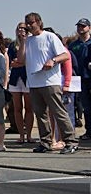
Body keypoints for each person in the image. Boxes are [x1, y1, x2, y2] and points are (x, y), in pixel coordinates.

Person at [18, 12, 78, 154]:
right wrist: (22, 41)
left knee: (58, 112)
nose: (28, 26)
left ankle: (71, 141)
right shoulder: (29, 40)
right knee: (40, 114)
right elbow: (21, 59)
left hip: (50, 82)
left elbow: (65, 55)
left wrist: (53, 60)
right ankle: (45, 142)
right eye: (26, 23)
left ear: (38, 22)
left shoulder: (49, 37)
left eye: (31, 23)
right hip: (34, 82)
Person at [8, 23, 33, 143]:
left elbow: (29, 61)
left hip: (27, 78)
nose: (21, 30)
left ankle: (29, 135)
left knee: (29, 108)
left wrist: (21, 62)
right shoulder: (13, 45)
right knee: (17, 108)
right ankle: (21, 135)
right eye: (19, 28)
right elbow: (11, 62)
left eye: (24, 28)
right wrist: (20, 62)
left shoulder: (31, 43)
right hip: (15, 79)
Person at [68, 18, 91, 139]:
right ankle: (89, 131)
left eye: (83, 26)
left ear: (89, 28)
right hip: (79, 79)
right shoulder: (73, 45)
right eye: (79, 26)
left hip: (90, 77)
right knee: (85, 107)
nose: (81, 28)